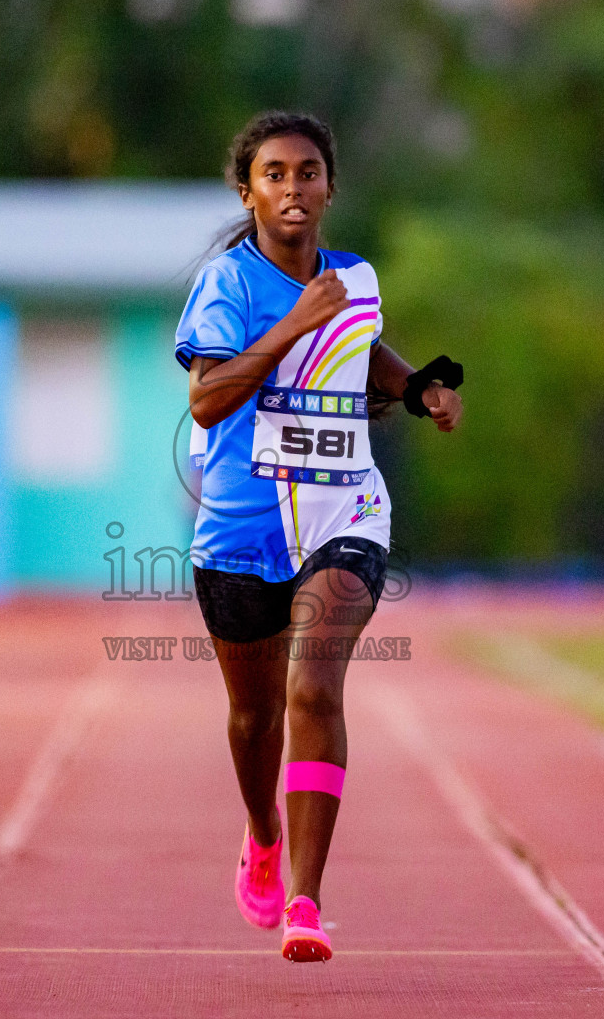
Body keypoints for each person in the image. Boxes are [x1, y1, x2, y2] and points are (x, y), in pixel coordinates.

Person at [175, 110, 463, 962]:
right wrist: (293, 322)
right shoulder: (226, 284)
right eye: (275, 174)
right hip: (240, 527)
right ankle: (262, 832)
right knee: (252, 716)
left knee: (313, 690)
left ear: (330, 187)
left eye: (307, 172)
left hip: (344, 513)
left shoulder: (355, 280)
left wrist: (421, 391)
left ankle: (305, 898)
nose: (293, 188)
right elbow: (206, 399)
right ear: (249, 191)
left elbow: (364, 352)